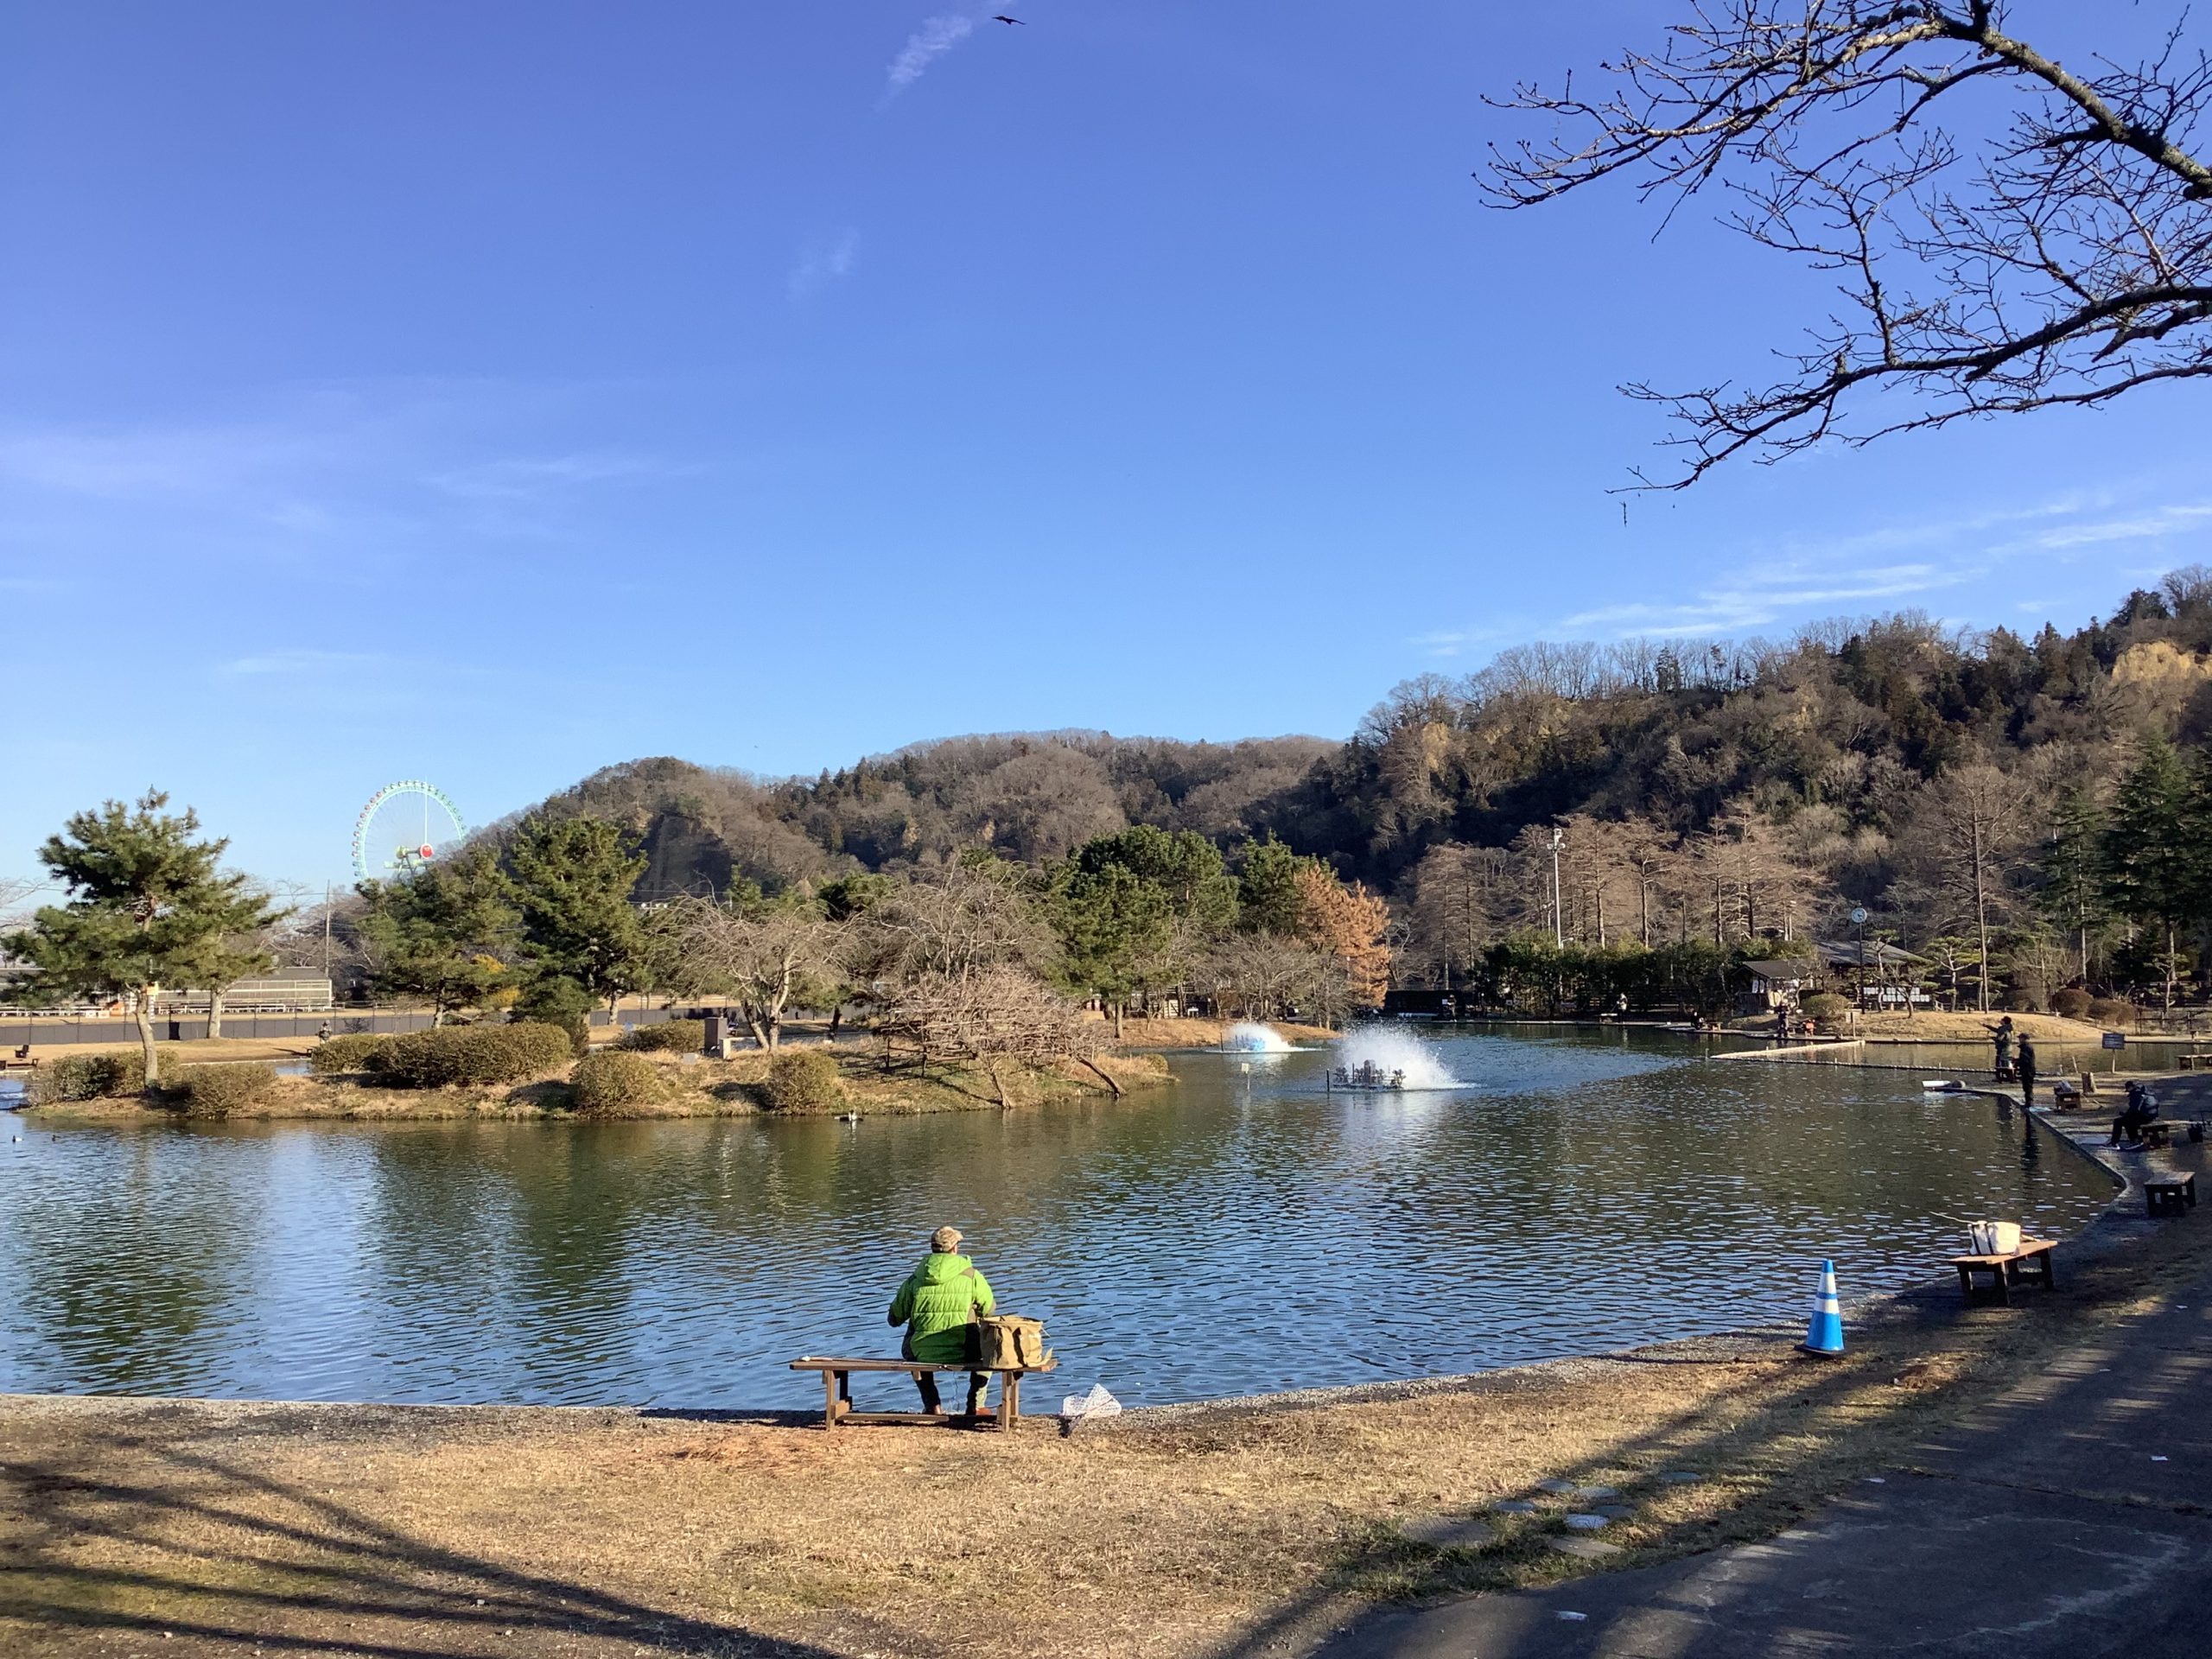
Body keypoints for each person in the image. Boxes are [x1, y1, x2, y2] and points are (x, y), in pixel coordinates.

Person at [888, 1225, 993, 1418]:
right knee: (990, 1349)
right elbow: (989, 1310)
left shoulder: (914, 1279)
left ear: (933, 1248)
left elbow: (893, 1319)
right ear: (955, 1248)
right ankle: (976, 1405)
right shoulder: (972, 1276)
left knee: (911, 1348)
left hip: (923, 1351)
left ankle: (932, 1405)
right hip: (966, 1350)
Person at [2110, 1081, 2160, 1147]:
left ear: (2131, 1087)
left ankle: (2114, 1142)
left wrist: (2126, 1115)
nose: (2128, 1091)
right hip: (2152, 1117)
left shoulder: (2137, 1094)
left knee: (2118, 1122)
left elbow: (2135, 1109)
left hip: (2145, 1117)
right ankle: (2134, 1139)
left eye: (2128, 1089)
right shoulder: (2145, 1092)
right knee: (2128, 1120)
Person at [1984, 1015, 2016, 1081]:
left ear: (2004, 1022)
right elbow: (1997, 1030)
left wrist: (1992, 1038)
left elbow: (1999, 1039)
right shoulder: (2008, 1028)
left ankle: (2000, 1077)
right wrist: (1987, 1026)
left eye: (2002, 1020)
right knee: (2006, 1062)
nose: (2000, 1021)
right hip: (2008, 1048)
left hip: (2002, 1048)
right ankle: (2008, 1077)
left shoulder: (2004, 1030)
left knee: (2000, 1063)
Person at [2015, 1033, 2037, 1107]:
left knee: (2028, 1087)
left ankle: (2029, 1102)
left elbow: (2025, 1060)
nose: (2019, 1039)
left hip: (2028, 1070)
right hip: (2027, 1069)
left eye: (2020, 1038)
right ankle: (2028, 1102)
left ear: (2024, 1039)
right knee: (2026, 1087)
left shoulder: (2026, 1048)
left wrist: (2017, 1062)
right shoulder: (2026, 1047)